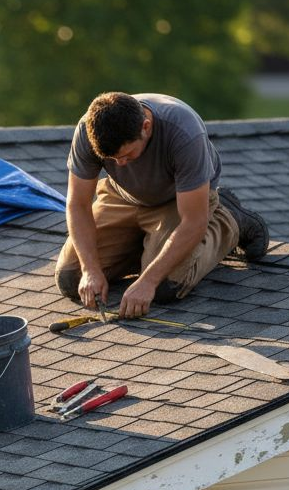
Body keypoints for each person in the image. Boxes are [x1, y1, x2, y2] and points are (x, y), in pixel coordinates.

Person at [55, 91, 269, 319]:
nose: (120, 164)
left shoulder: (184, 132)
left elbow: (193, 221)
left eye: (127, 155)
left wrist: (147, 281)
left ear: (146, 127)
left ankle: (227, 219)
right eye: (113, 159)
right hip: (122, 197)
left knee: (164, 286)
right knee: (71, 278)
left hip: (179, 201)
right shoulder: (88, 128)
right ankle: (149, 245)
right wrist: (90, 270)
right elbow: (78, 205)